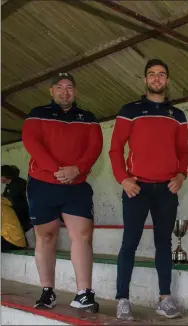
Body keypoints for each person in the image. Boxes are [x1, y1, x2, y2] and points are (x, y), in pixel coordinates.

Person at [109, 59, 188, 320]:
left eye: (162, 74)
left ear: (167, 80)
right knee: (129, 243)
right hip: (136, 188)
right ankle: (122, 300)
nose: (156, 78)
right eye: (152, 74)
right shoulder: (129, 110)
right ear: (145, 80)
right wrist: (123, 179)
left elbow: (183, 151)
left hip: (166, 189)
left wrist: (181, 175)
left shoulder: (177, 115)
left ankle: (165, 299)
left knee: (163, 244)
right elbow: (115, 149)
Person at [21, 72, 103, 312]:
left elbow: (95, 147)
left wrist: (77, 169)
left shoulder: (88, 118)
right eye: (59, 87)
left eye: (69, 87)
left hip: (76, 186)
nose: (64, 91)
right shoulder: (36, 114)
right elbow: (31, 142)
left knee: (84, 236)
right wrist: (57, 170)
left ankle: (84, 293)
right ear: (51, 91)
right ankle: (47, 291)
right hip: (43, 184)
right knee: (45, 237)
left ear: (75, 92)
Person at [1, 165, 32, 233]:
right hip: (19, 218)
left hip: (26, 219)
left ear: (4, 175)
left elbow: (8, 200)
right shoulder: (9, 185)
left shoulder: (18, 184)